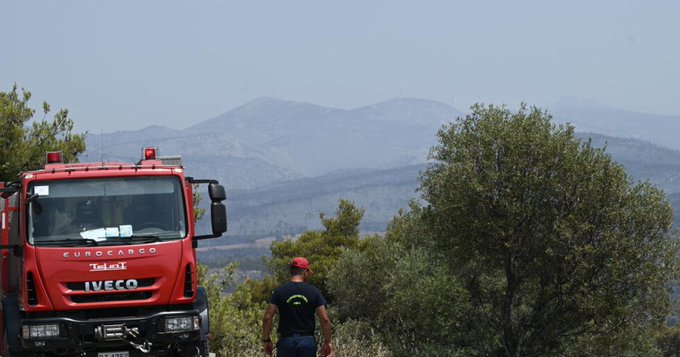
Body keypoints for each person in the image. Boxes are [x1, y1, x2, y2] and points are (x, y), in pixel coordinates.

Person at [262, 257, 332, 357]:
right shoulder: (314, 292)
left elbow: (267, 318)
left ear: (292, 271)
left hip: (286, 342)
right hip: (307, 342)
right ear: (305, 272)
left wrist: (266, 340)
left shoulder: (279, 291)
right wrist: (328, 341)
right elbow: (325, 319)